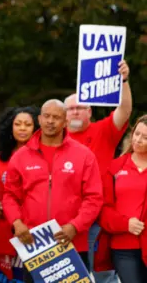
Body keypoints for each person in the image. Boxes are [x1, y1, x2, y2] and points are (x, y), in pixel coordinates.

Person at [2, 99, 103, 283]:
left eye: (56, 117)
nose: (50, 121)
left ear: (65, 122)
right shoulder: (21, 156)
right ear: (39, 119)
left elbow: (94, 198)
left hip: (71, 244)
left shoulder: (84, 155)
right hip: (35, 246)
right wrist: (16, 222)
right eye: (46, 116)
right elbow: (9, 195)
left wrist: (75, 226)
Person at [65, 60, 132, 283]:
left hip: (97, 217)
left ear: (89, 110)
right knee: (67, 272)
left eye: (80, 107)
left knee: (97, 272)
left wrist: (123, 80)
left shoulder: (103, 130)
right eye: (71, 108)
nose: (75, 111)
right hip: (64, 217)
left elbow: (124, 109)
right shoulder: (56, 138)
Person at [0, 107, 39, 281]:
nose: (22, 128)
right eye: (17, 124)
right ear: (10, 128)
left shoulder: (42, 157)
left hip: (33, 231)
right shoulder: (0, 159)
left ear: (36, 128)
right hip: (4, 229)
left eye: (27, 124)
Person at [95, 115, 147, 282]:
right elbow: (103, 209)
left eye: (145, 137)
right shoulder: (115, 167)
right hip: (123, 246)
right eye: (136, 134)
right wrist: (125, 224)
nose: (138, 140)